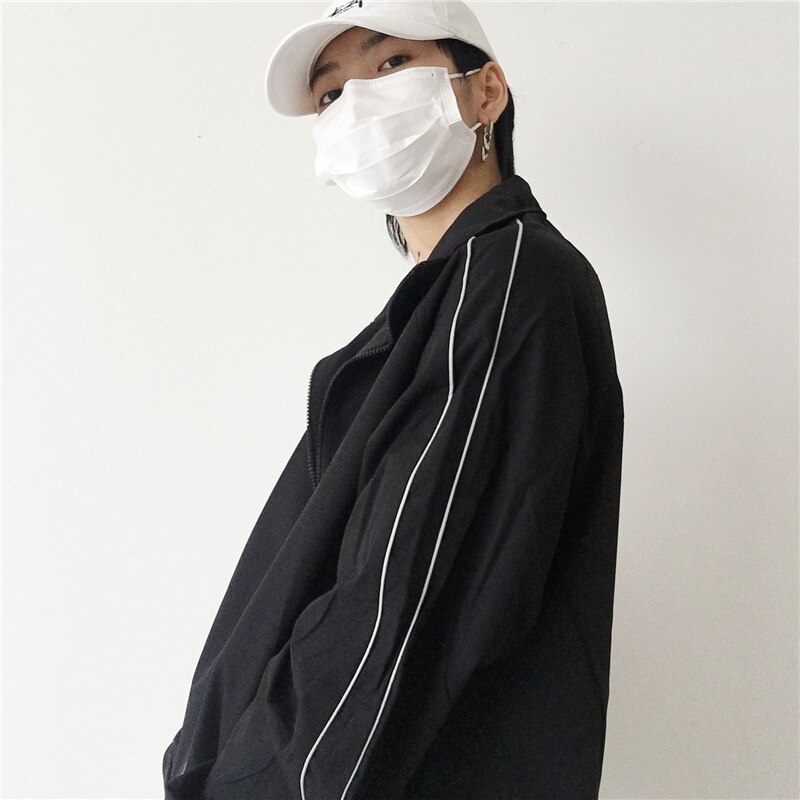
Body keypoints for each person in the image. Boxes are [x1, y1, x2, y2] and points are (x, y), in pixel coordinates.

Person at [162, 2, 625, 798]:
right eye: (331, 92)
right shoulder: (441, 306)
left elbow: (396, 605)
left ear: (485, 93)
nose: (359, 104)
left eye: (391, 63)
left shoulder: (512, 282)